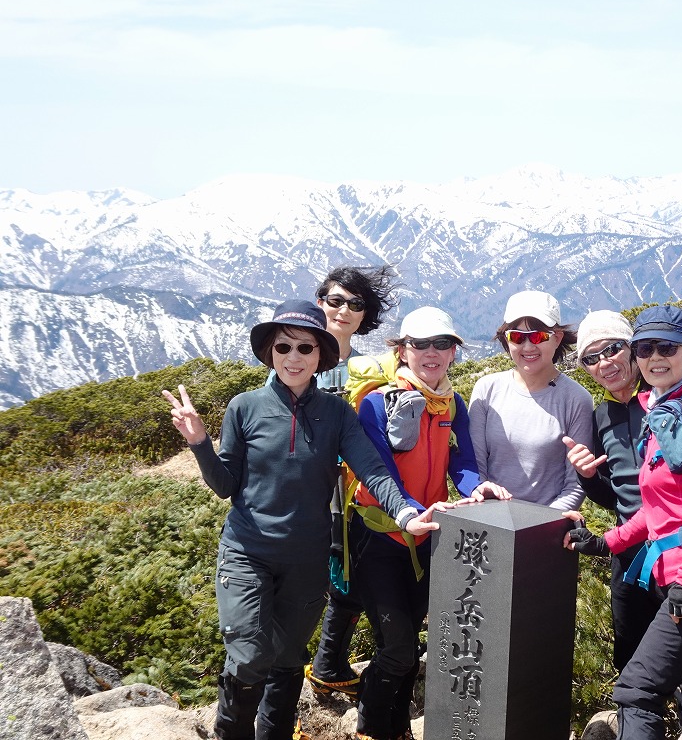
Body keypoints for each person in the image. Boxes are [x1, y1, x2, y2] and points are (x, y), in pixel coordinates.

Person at [162, 299, 441, 740]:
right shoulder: (244, 407)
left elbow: (371, 469)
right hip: (247, 552)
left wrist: (405, 513)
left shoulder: (336, 412)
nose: (293, 357)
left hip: (308, 560)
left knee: (288, 658)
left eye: (305, 348)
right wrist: (199, 443)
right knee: (250, 656)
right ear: (270, 352)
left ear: (320, 355)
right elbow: (226, 484)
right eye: (283, 347)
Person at [563, 305, 682, 740]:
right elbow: (659, 507)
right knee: (644, 683)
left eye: (667, 347)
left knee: (638, 689)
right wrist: (608, 541)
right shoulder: (662, 412)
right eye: (646, 348)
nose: (655, 357)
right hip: (671, 569)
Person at [350, 306, 510, 740]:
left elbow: (463, 462)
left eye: (443, 344)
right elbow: (378, 472)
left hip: (428, 538)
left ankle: (398, 727)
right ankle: (371, 727)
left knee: (407, 644)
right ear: (402, 351)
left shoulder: (451, 403)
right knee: (398, 647)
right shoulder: (376, 403)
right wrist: (413, 510)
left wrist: (476, 487)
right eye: (420, 344)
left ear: (454, 352)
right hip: (379, 537)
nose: (432, 352)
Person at [304, 266, 400, 698]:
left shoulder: (366, 367)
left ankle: (329, 662)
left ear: (365, 314)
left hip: (357, 490)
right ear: (320, 302)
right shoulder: (300, 355)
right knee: (323, 574)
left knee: (350, 570)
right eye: (335, 300)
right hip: (314, 490)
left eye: (355, 304)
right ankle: (314, 664)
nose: (344, 310)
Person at [561, 311, 661, 673]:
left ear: (632, 348)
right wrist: (587, 476)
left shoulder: (665, 401)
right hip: (628, 552)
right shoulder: (601, 416)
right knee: (630, 657)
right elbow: (614, 498)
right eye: (591, 357)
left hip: (678, 546)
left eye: (613, 349)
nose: (604, 363)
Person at [468, 290, 593, 510]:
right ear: (507, 340)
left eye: (538, 336)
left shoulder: (576, 399)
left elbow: (575, 486)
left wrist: (540, 524)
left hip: (548, 521)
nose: (527, 347)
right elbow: (476, 470)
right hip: (489, 518)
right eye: (517, 337)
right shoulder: (487, 389)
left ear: (557, 338)